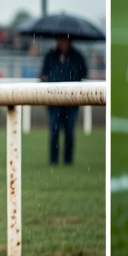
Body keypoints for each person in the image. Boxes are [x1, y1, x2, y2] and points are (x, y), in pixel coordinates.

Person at [40, 35, 87, 165]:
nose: (63, 43)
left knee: (69, 131)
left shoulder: (77, 56)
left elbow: (84, 73)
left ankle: (68, 160)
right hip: (53, 100)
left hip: (72, 100)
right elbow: (43, 74)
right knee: (54, 130)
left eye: (65, 40)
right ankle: (53, 161)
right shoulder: (51, 56)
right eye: (61, 40)